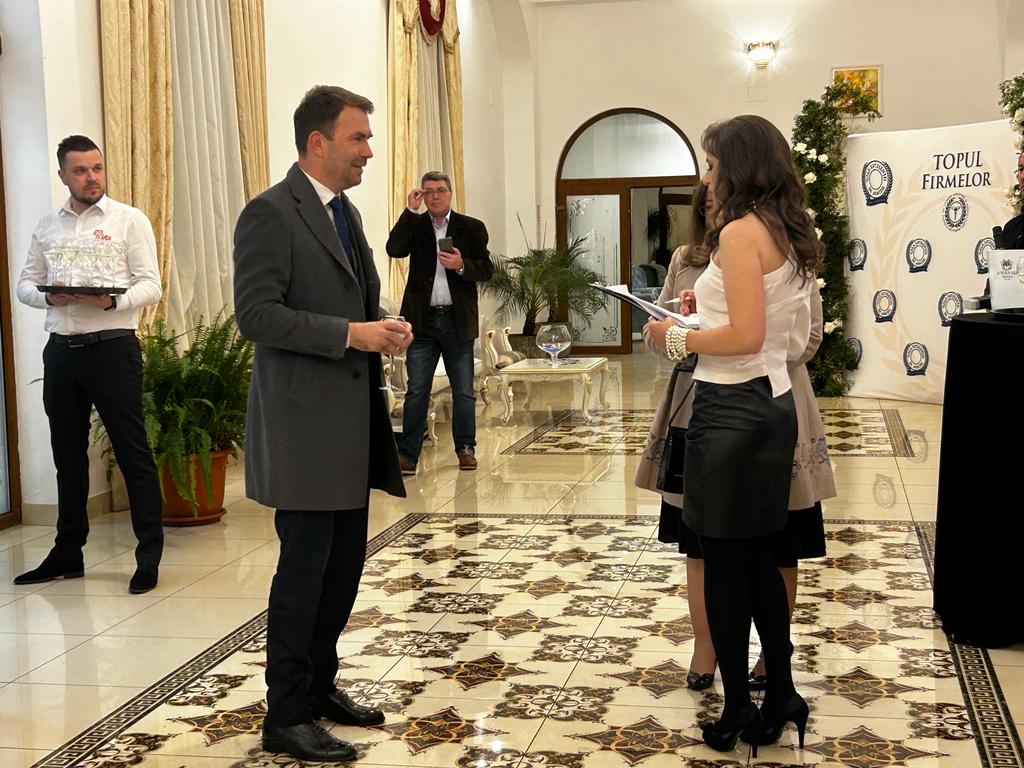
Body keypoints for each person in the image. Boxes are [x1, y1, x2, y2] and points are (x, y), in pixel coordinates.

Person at [233, 85, 412, 764]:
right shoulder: (270, 213)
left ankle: (319, 687)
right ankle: (285, 714)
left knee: (341, 573)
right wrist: (350, 334)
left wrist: (381, 326)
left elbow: (354, 302)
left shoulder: (346, 212)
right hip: (305, 431)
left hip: (351, 425)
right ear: (318, 142)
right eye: (358, 138)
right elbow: (256, 315)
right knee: (303, 575)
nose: (368, 150)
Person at [646, 114, 817, 754]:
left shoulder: (742, 233)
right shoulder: (786, 230)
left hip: (732, 411)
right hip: (771, 405)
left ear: (740, 166)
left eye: (713, 164)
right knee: (759, 557)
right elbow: (779, 336)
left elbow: (745, 336)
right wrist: (701, 320)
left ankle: (739, 707)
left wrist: (676, 337)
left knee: (721, 562)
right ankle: (782, 694)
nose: (706, 177)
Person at [14, 134, 164, 595]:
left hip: (112, 348)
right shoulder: (47, 225)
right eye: (80, 170)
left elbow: (151, 285)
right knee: (67, 455)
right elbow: (25, 284)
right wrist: (49, 297)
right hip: (62, 351)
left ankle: (148, 556)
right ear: (63, 175)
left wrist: (111, 301)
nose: (91, 177)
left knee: (132, 452)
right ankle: (68, 552)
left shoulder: (128, 219)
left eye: (97, 168)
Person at [386, 171, 493, 474]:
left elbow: (487, 269)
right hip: (422, 321)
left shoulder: (471, 227)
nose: (434, 196)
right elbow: (394, 249)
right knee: (417, 390)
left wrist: (461, 265)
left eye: (440, 190)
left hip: (457, 320)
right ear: (422, 195)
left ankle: (466, 449)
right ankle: (408, 455)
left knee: (463, 391)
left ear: (450, 193)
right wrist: (410, 211)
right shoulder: (416, 225)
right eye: (428, 191)